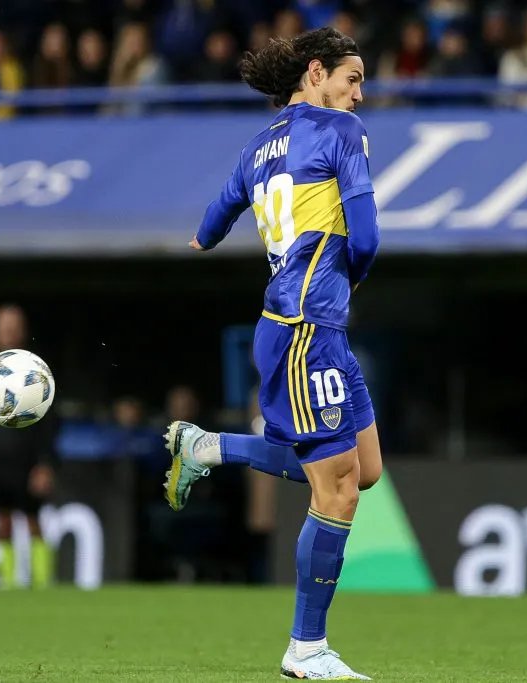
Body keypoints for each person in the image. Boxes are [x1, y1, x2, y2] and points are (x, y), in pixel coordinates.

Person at [162, 27, 382, 680]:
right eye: (352, 79)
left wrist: (202, 238)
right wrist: (353, 271)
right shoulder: (341, 133)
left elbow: (220, 209)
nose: (359, 94)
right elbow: (365, 234)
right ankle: (306, 649)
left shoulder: (260, 145)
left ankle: (207, 447)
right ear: (316, 73)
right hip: (305, 326)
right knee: (337, 488)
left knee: (361, 470)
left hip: (298, 325)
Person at [0, 304, 59, 588]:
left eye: (13, 326)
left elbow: (51, 422)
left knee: (33, 520)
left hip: (29, 460)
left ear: (23, 330)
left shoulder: (37, 370)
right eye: (3, 326)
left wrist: (45, 463)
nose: (8, 332)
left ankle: (42, 582)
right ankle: (8, 585)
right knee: (3, 521)